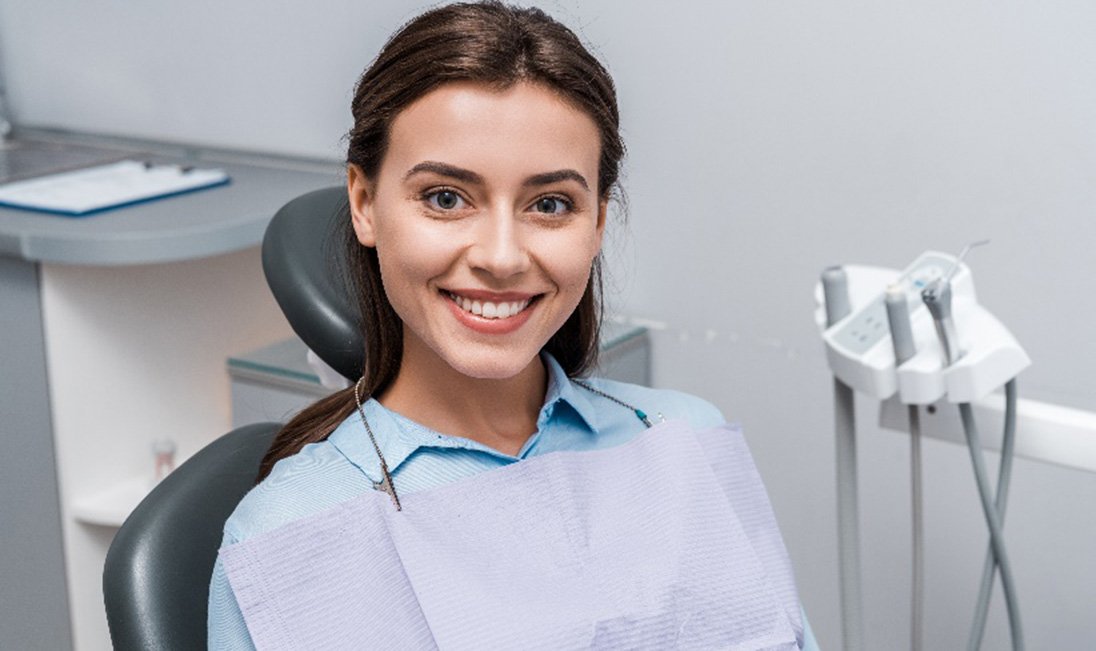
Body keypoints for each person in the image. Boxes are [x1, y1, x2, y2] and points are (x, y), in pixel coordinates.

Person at [208, 2, 818, 649]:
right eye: (446, 198)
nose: (501, 256)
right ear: (364, 202)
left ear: (597, 224)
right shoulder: (290, 530)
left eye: (550, 204)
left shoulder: (681, 438)